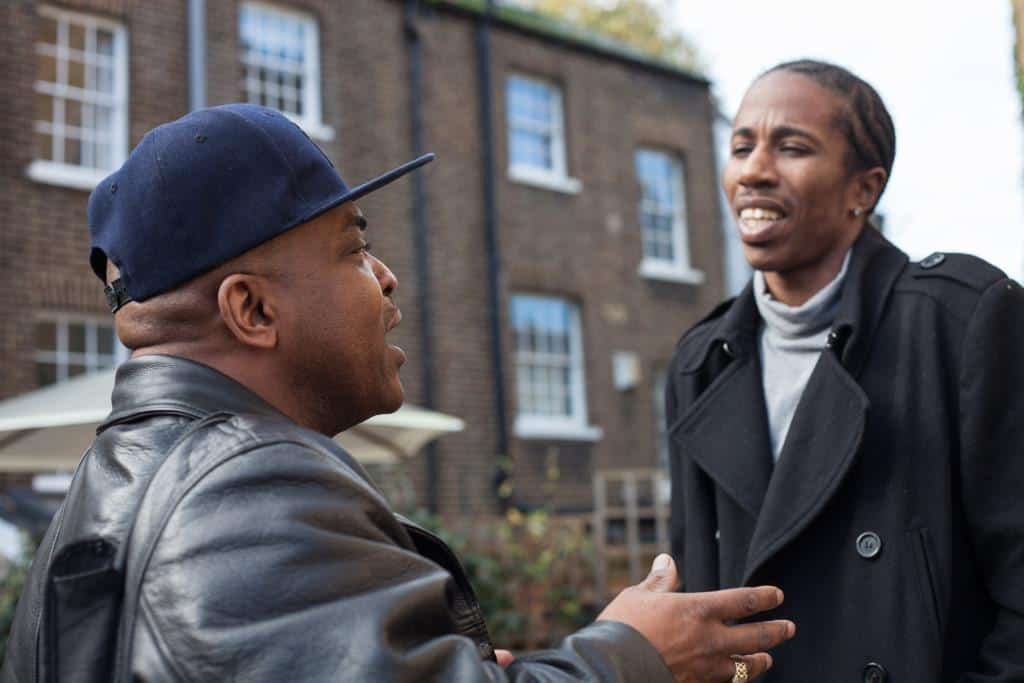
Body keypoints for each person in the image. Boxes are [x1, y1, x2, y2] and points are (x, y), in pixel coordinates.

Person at [2, 104, 794, 682]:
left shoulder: (114, 481)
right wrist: (632, 655)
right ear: (251, 308)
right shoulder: (242, 490)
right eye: (355, 247)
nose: (385, 278)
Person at [666, 59, 1024, 682]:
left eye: (792, 147)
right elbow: (693, 581)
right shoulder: (701, 361)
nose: (754, 170)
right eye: (742, 146)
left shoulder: (961, 321)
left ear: (865, 188)